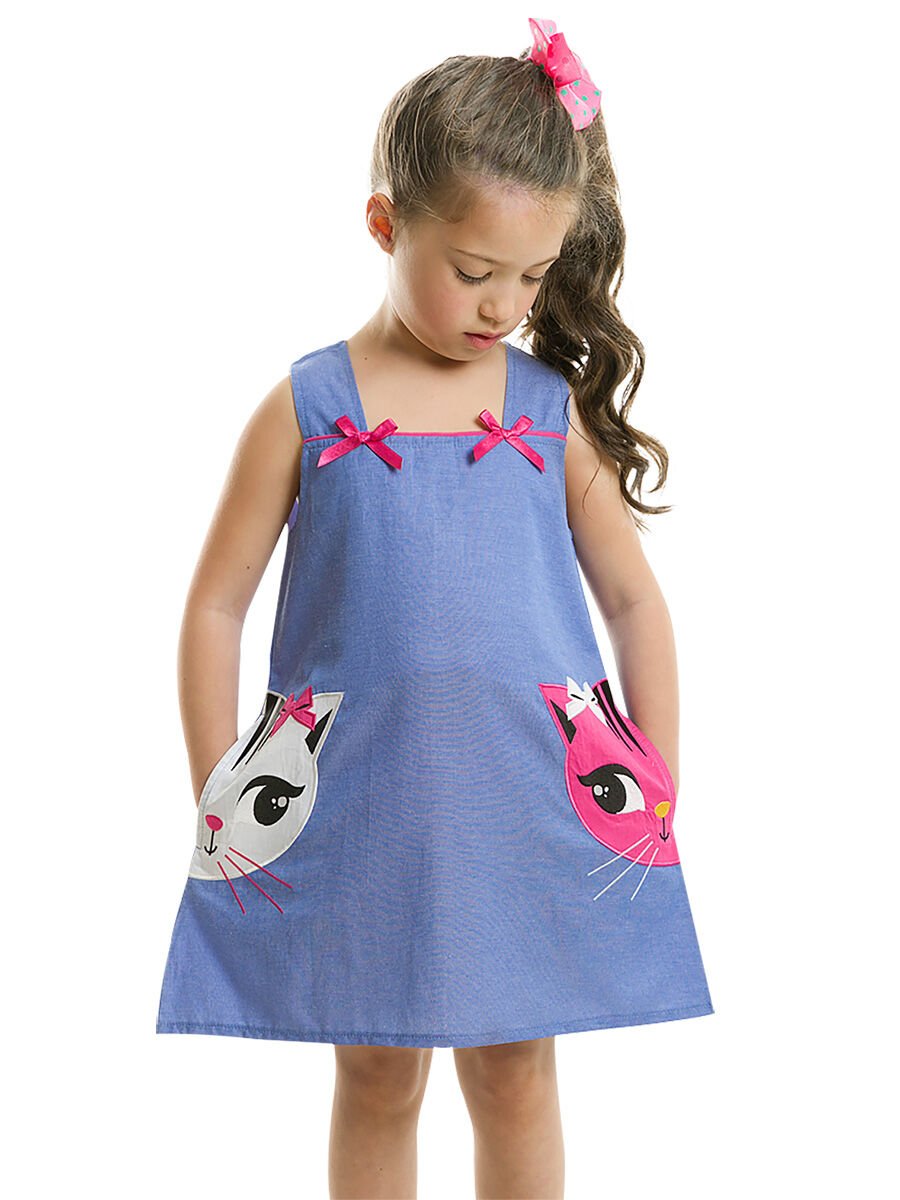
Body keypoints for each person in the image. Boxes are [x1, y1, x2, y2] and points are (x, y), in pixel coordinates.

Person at [156, 16, 714, 1199]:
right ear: (384, 224)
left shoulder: (547, 412)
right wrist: (221, 792)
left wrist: (656, 778)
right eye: (473, 271)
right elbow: (214, 606)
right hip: (363, 800)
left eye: (532, 276)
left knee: (516, 1072)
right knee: (376, 1071)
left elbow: (633, 599)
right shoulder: (308, 405)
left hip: (522, 795)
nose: (504, 303)